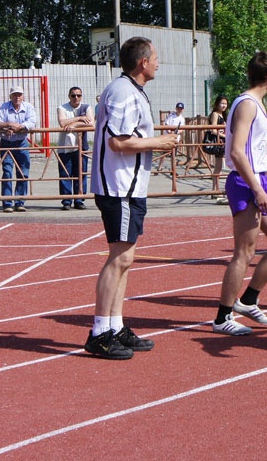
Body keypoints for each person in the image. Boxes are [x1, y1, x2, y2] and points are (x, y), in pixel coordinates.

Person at [85, 37, 179, 360]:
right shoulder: (123, 91)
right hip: (118, 187)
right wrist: (159, 142)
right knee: (119, 258)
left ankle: (114, 325)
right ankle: (99, 332)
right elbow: (118, 142)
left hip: (128, 187)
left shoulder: (131, 91)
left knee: (125, 259)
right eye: (155, 58)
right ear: (142, 62)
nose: (157, 63)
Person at [212, 52, 267, 336]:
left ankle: (248, 299)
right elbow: (236, 151)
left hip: (259, 179)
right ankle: (223, 316)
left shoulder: (259, 104)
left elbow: (253, 152)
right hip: (246, 184)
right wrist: (258, 187)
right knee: (244, 252)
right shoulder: (246, 104)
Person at [0, 85, 37, 212]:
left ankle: (20, 201)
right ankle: (7, 203)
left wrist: (19, 127)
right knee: (7, 172)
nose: (17, 97)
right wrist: (9, 124)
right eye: (15, 95)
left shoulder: (28, 107)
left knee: (23, 172)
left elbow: (32, 121)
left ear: (23, 96)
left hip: (22, 143)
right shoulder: (4, 107)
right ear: (10, 96)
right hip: (7, 143)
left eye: (19, 94)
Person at [57, 86, 94, 210]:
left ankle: (79, 199)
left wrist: (73, 124)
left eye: (78, 95)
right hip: (65, 146)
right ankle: (66, 201)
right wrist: (79, 119)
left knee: (80, 173)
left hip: (81, 146)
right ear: (69, 96)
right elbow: (62, 123)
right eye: (73, 95)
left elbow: (91, 123)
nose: (76, 98)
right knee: (65, 173)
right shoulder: (62, 108)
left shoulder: (86, 107)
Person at [206, 95, 228, 202]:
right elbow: (213, 130)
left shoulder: (223, 115)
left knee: (218, 167)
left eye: (225, 103)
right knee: (218, 167)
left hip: (222, 142)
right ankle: (215, 190)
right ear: (217, 104)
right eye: (222, 103)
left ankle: (215, 190)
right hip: (218, 142)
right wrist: (225, 136)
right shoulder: (215, 114)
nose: (224, 105)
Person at [162, 101, 186, 166]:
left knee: (174, 153)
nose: (179, 110)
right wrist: (169, 132)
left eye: (181, 108)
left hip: (175, 137)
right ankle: (159, 167)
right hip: (168, 136)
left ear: (183, 110)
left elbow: (182, 128)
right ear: (176, 108)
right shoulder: (171, 116)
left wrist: (177, 132)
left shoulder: (182, 118)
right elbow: (166, 124)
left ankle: (173, 169)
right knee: (164, 152)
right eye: (178, 108)